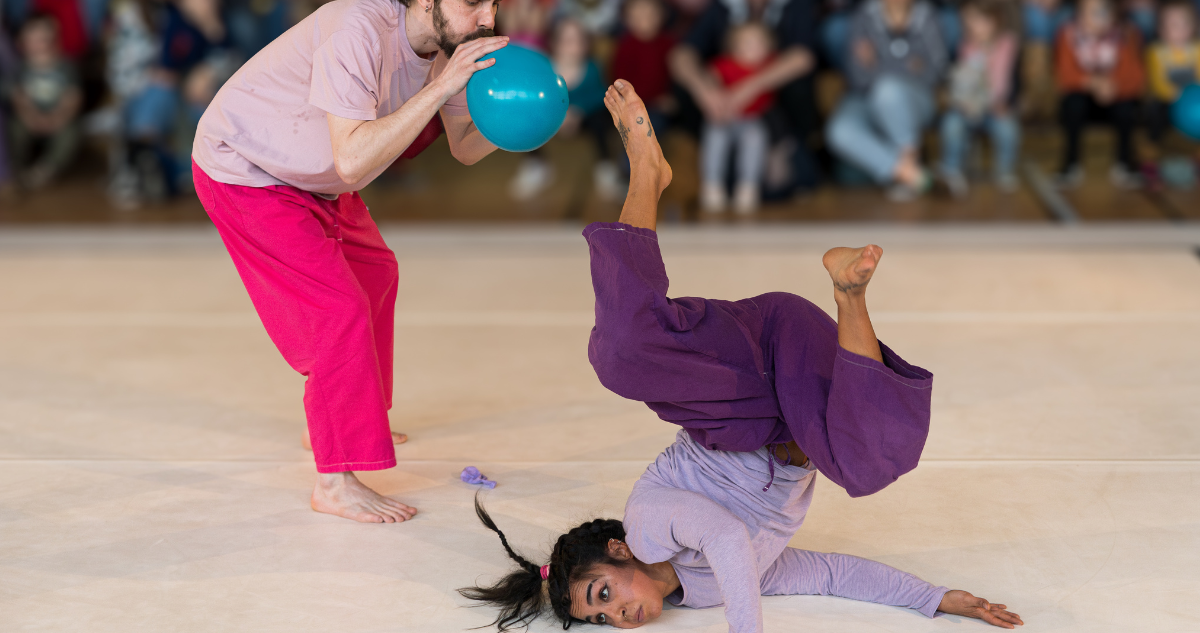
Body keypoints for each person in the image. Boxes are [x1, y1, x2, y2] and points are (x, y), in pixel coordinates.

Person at [460, 80, 1026, 633]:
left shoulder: (647, 525)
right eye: (600, 619)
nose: (616, 614)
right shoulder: (706, 591)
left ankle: (646, 172)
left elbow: (727, 537)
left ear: (618, 550)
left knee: (623, 355)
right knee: (864, 465)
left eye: (602, 593)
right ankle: (849, 293)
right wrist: (934, 598)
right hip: (796, 416)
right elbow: (828, 574)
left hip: (751, 376)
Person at [190, 0, 509, 523]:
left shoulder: (446, 50)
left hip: (312, 174)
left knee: (377, 273)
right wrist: (441, 87)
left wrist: (524, 121)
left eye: (494, 4)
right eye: (473, 2)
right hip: (247, 167)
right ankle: (333, 484)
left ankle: (348, 416)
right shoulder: (357, 28)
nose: (488, 17)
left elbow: (465, 148)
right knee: (337, 310)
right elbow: (355, 158)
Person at [670, 0, 820, 198]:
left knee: (795, 180)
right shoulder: (722, 8)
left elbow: (804, 57)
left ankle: (777, 156)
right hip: (723, 113)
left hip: (776, 117)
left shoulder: (795, 7)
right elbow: (681, 54)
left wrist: (748, 88)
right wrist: (705, 91)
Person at [825, 0, 947, 201]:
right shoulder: (863, 16)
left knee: (888, 90)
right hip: (863, 98)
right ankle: (909, 174)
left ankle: (909, 159)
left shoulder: (927, 15)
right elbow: (857, 76)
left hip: (916, 98)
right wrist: (909, 67)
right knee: (839, 131)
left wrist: (877, 64)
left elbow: (936, 72)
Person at [509, 18, 619, 202]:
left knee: (602, 118)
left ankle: (605, 166)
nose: (573, 46)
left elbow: (600, 93)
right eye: (567, 41)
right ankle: (536, 165)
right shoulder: (545, 69)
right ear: (554, 43)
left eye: (579, 40)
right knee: (526, 119)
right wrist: (559, 114)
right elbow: (536, 97)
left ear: (586, 45)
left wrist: (578, 110)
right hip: (551, 119)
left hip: (585, 119)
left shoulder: (592, 68)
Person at [1053, 0, 1145, 188]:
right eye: (1090, 13)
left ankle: (1124, 164)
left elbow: (1135, 76)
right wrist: (1091, 82)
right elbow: (1064, 74)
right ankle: (1071, 165)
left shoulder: (1126, 34)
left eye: (1102, 12)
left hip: (1114, 97)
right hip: (1083, 98)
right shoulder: (1068, 34)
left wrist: (1114, 87)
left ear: (1113, 15)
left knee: (1127, 108)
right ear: (1079, 14)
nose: (1096, 19)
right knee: (1072, 105)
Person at [938, 0, 1021, 197]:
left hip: (996, 109)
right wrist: (958, 101)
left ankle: (1004, 171)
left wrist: (1008, 104)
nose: (975, 27)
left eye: (980, 21)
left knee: (1008, 129)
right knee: (952, 124)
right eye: (969, 22)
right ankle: (951, 170)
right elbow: (955, 82)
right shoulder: (963, 48)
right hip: (968, 108)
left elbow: (1016, 82)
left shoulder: (1009, 46)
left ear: (995, 21)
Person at [700, 21, 776, 214]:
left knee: (756, 138)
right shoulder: (726, 65)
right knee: (714, 137)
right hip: (724, 118)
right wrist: (714, 91)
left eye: (760, 43)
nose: (755, 48)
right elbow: (710, 75)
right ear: (734, 47)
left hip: (751, 119)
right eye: (748, 43)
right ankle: (712, 184)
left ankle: (748, 186)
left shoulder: (768, 68)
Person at [8, 13, 83, 190]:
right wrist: (30, 117)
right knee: (14, 129)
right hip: (29, 116)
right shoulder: (20, 68)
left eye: (44, 39)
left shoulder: (65, 67)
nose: (40, 45)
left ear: (54, 40)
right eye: (33, 40)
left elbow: (73, 98)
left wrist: (58, 118)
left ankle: (46, 170)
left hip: (59, 116)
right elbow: (19, 98)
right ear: (21, 43)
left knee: (71, 134)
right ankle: (16, 169)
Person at [1143, 0, 1200, 186]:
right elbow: (1157, 80)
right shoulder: (1157, 52)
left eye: (1184, 24)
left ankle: (1196, 160)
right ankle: (1151, 163)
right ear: (1161, 30)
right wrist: (1173, 93)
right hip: (1166, 100)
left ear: (1193, 27)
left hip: (1192, 102)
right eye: (1173, 25)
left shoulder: (1197, 50)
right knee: (1155, 117)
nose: (1179, 29)